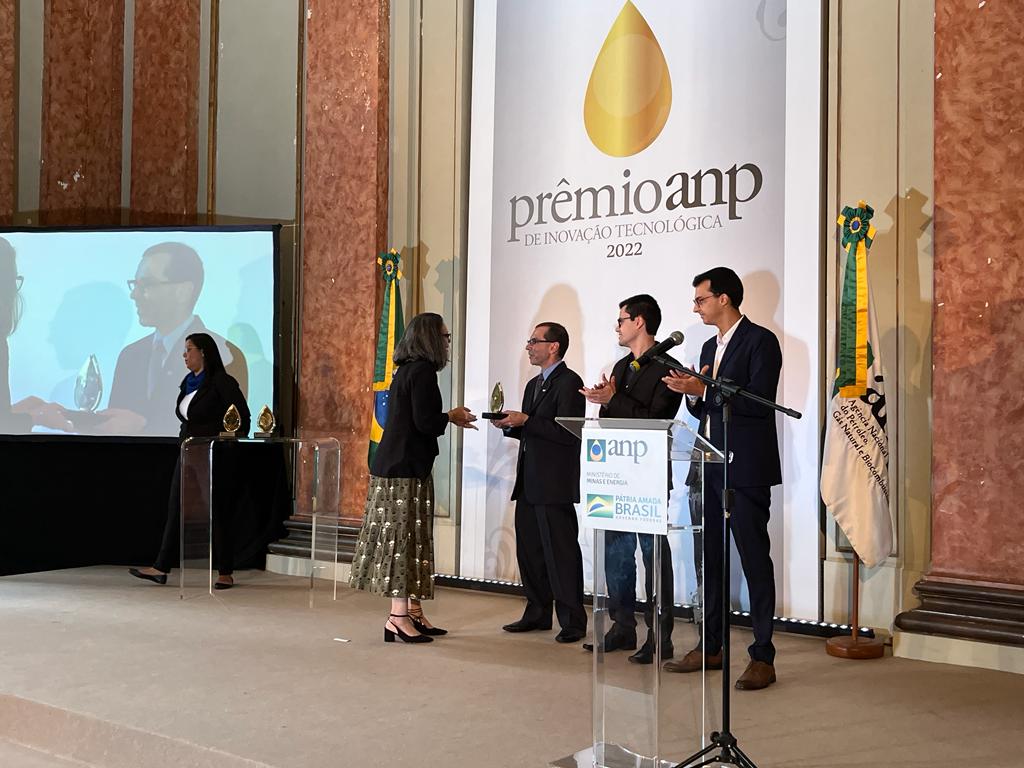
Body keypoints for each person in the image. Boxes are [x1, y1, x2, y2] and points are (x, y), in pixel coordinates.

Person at [661, 267, 782, 691]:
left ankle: (763, 655)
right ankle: (711, 646)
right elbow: (705, 411)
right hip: (710, 466)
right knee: (709, 559)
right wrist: (692, 394)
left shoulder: (761, 341)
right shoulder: (709, 345)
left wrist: (704, 390)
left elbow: (760, 402)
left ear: (724, 298)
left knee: (753, 558)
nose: (696, 307)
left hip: (746, 468)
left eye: (701, 299)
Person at [348, 313, 477, 643]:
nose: (448, 343)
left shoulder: (407, 370)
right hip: (403, 470)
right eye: (445, 337)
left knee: (414, 539)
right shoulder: (422, 372)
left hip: (399, 466)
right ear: (431, 339)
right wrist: (452, 416)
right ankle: (398, 618)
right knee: (403, 542)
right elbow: (425, 422)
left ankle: (413, 612)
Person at [580, 294, 683, 664]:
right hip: (616, 475)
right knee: (616, 555)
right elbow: (614, 420)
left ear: (640, 322)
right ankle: (622, 626)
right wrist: (603, 401)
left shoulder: (670, 368)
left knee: (653, 555)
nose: (617, 327)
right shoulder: (621, 367)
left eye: (622, 320)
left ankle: (660, 635)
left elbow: (657, 420)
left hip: (649, 477)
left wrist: (613, 399)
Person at [129, 332, 251, 589]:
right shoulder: (187, 382)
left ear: (203, 352)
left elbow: (242, 418)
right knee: (176, 508)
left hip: (213, 455)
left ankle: (225, 572)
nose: (184, 355)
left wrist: (224, 442)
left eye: (189, 349)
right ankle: (161, 567)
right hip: (187, 452)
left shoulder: (222, 382)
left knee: (217, 511)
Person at [493, 322, 587, 643]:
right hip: (529, 483)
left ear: (553, 347)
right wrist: (511, 425)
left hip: (554, 484)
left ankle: (572, 621)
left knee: (561, 554)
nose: (529, 346)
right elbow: (533, 431)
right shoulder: (534, 384)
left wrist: (528, 420)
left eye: (535, 341)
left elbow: (568, 434)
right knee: (530, 552)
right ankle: (537, 612)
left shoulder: (570, 383)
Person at [99, 242, 248, 436]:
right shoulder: (130, 355)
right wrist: (80, 423)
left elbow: (229, 431)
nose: (134, 294)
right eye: (135, 284)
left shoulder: (225, 355)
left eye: (146, 284)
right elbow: (114, 429)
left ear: (183, 291)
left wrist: (145, 427)